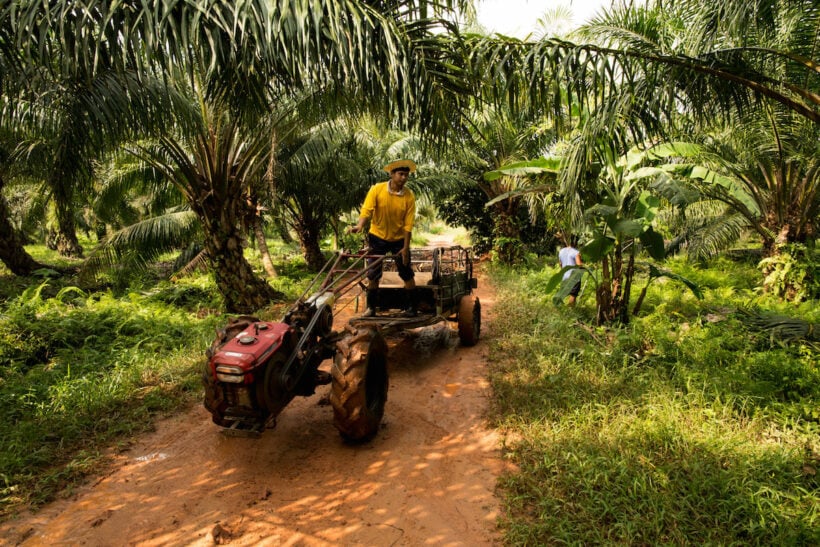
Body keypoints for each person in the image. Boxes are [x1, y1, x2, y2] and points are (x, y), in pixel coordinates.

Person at [347, 159, 418, 317]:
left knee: (406, 272)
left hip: (399, 239)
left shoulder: (408, 196)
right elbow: (367, 210)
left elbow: (408, 224)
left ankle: (412, 308)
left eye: (406, 175)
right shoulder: (377, 190)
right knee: (373, 273)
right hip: (377, 237)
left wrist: (405, 248)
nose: (404, 178)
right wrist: (359, 226)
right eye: (400, 174)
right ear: (392, 174)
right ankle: (371, 308)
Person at [558, 237, 583, 306]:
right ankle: (571, 310)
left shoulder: (561, 251)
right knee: (573, 294)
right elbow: (579, 265)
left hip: (565, 276)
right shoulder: (576, 252)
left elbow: (560, 264)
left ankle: (560, 307)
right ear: (575, 243)